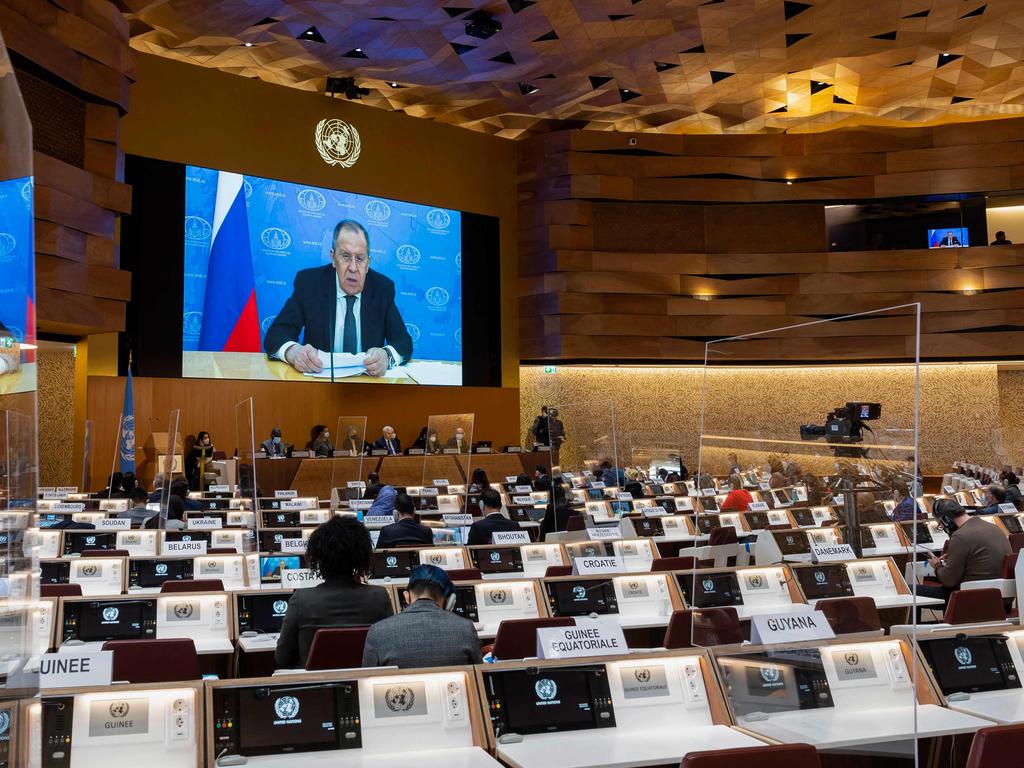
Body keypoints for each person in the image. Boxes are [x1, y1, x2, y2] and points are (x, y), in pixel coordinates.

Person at [263, 219, 413, 377]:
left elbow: (403, 342)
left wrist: (386, 356)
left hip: (367, 388)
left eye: (360, 259)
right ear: (333, 258)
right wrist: (293, 353)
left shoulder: (382, 288)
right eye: (346, 256)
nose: (353, 268)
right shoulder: (309, 284)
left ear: (368, 263)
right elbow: (276, 334)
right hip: (319, 386)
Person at [276, 516, 394, 668]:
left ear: (318, 556)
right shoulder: (379, 597)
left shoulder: (301, 599)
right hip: (364, 684)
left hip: (318, 686)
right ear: (362, 554)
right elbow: (388, 649)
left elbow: (282, 658)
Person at [362, 565, 482, 669]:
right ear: (450, 601)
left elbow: (368, 681)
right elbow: (479, 676)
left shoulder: (377, 631)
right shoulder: (466, 628)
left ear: (406, 596)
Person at [918, 498, 1011, 607]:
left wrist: (937, 565)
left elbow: (948, 580)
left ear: (946, 520)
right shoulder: (994, 528)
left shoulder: (960, 536)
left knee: (911, 590)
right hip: (1002, 598)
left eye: (940, 524)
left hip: (973, 599)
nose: (942, 527)